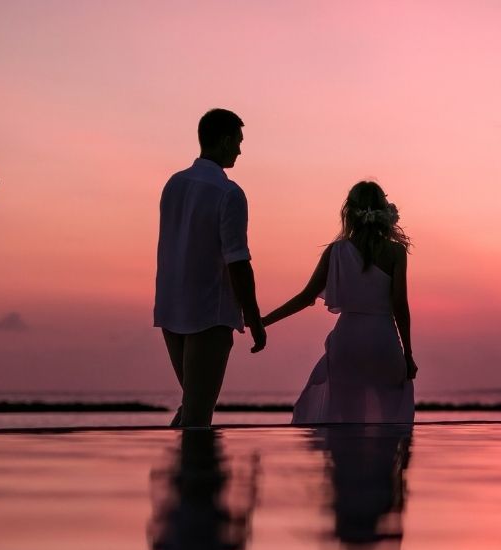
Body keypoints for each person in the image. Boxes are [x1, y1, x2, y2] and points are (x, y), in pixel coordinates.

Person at [262, 181, 416, 424]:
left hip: (348, 343)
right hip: (383, 341)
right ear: (385, 211)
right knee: (390, 425)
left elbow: (305, 297)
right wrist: (408, 354)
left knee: (345, 425)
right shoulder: (395, 252)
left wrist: (263, 322)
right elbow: (400, 307)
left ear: (348, 211)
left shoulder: (335, 251)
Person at [154, 108, 266, 428]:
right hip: (209, 312)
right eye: (239, 142)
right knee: (198, 415)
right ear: (225, 140)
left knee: (193, 406)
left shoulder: (173, 185)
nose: (240, 150)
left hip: (172, 307)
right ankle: (197, 477)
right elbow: (238, 260)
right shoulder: (229, 193)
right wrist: (254, 318)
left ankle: (183, 475)